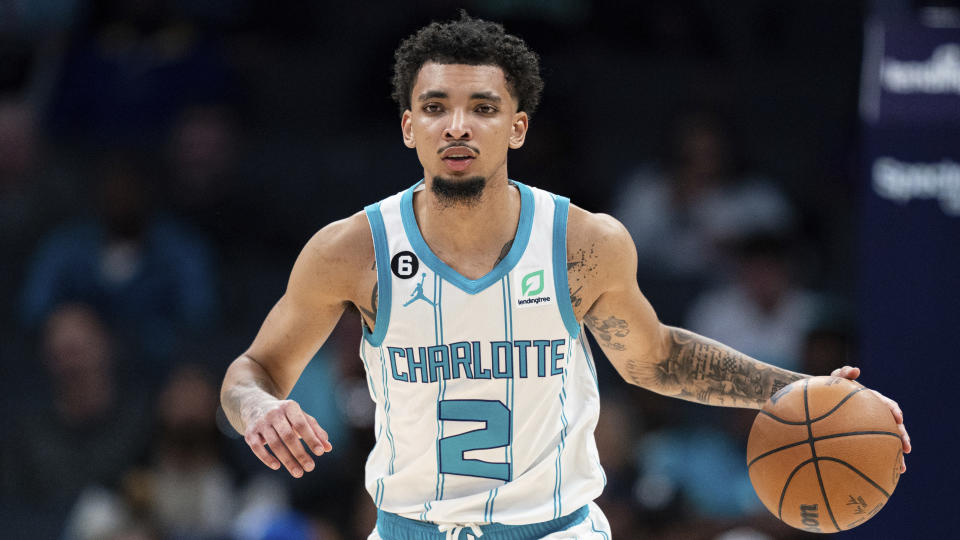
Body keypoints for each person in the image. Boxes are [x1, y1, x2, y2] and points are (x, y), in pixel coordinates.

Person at [220, 13, 911, 539]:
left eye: (482, 108)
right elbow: (251, 370)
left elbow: (656, 358)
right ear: (407, 127)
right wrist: (257, 406)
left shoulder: (583, 243)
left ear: (517, 127)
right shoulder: (353, 250)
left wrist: (795, 389)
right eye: (435, 106)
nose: (457, 126)